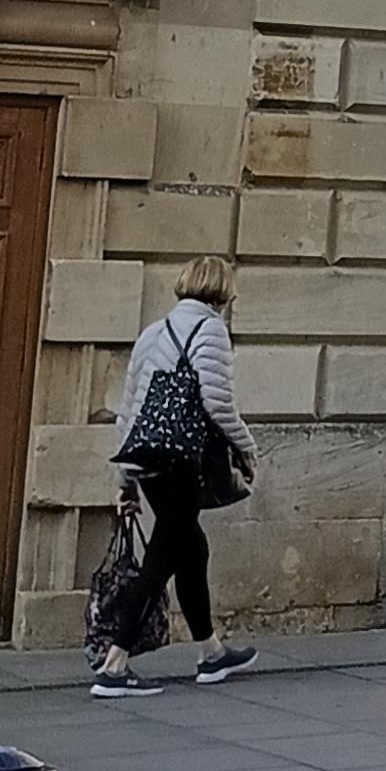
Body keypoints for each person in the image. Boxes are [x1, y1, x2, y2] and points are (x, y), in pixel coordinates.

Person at [92, 258, 260, 697]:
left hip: (149, 460)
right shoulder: (210, 332)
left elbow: (129, 410)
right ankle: (115, 662)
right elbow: (218, 405)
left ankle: (211, 652)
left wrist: (126, 480)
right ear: (221, 293)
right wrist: (247, 448)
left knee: (191, 548)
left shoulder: (154, 332)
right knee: (163, 556)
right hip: (182, 460)